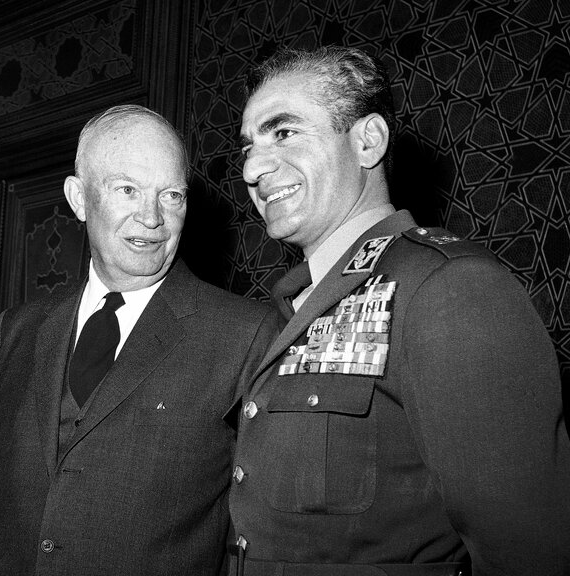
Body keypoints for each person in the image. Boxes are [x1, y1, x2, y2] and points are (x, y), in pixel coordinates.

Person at [229, 46, 570, 576]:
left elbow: (531, 554)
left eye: (284, 132)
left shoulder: (449, 288)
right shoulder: (284, 307)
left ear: (368, 141)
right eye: (248, 146)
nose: (253, 167)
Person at [0, 104, 278, 576]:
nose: (152, 217)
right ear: (78, 198)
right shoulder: (16, 330)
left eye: (171, 195)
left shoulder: (247, 333)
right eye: (127, 190)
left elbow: (260, 533)